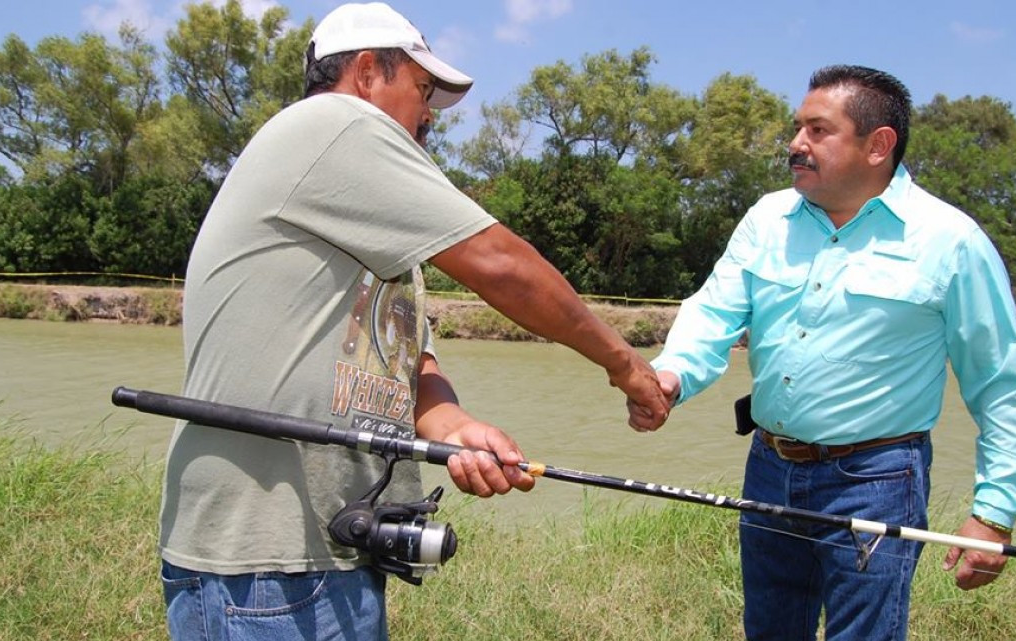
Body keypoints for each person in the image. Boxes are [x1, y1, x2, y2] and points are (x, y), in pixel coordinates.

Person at [159, 3, 667, 640]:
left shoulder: (370, 219)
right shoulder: (332, 125)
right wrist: (625, 365)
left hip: (333, 552)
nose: (430, 116)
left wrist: (459, 430)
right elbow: (500, 263)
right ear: (368, 73)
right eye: (422, 90)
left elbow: (413, 371)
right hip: (262, 565)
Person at [628, 65, 1016, 640]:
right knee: (770, 631)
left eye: (818, 130)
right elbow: (714, 311)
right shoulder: (767, 219)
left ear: (879, 145)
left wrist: (994, 513)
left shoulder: (952, 242)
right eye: (797, 127)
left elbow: (1001, 386)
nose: (796, 143)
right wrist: (671, 376)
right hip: (769, 467)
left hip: (878, 479)